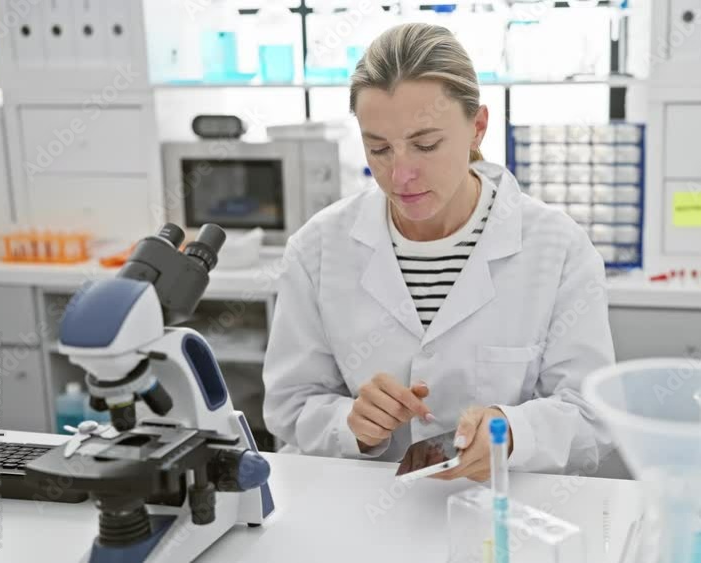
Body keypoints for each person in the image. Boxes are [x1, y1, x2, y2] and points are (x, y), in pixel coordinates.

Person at [262, 22, 614, 481]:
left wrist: (512, 432)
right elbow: (290, 405)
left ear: (477, 127)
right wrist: (351, 425)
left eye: (425, 145)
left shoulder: (558, 247)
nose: (400, 174)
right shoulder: (318, 249)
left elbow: (592, 415)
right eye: (379, 148)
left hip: (504, 515)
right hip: (365, 514)